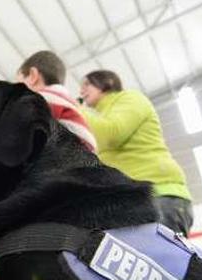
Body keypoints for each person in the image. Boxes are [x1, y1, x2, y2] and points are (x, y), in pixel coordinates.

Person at [79, 70, 194, 235]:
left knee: (156, 259)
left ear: (108, 82)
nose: (81, 91)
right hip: (132, 202)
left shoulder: (131, 99)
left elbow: (112, 134)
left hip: (158, 195)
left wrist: (72, 109)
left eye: (87, 84)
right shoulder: (101, 118)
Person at [16, 50, 97, 152]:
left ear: (33, 76)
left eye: (19, 84)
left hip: (68, 156)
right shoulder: (65, 102)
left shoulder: (46, 98)